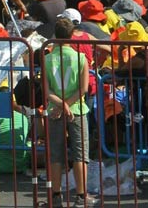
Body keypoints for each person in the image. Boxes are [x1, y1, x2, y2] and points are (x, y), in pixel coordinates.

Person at [43, 17, 95, 208]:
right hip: (78, 109)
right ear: (73, 34)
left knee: (55, 154)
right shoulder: (80, 58)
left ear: (55, 35)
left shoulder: (47, 58)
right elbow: (83, 88)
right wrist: (68, 104)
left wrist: (60, 105)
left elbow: (47, 91)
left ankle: (56, 195)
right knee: (80, 154)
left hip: (54, 110)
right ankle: (81, 196)